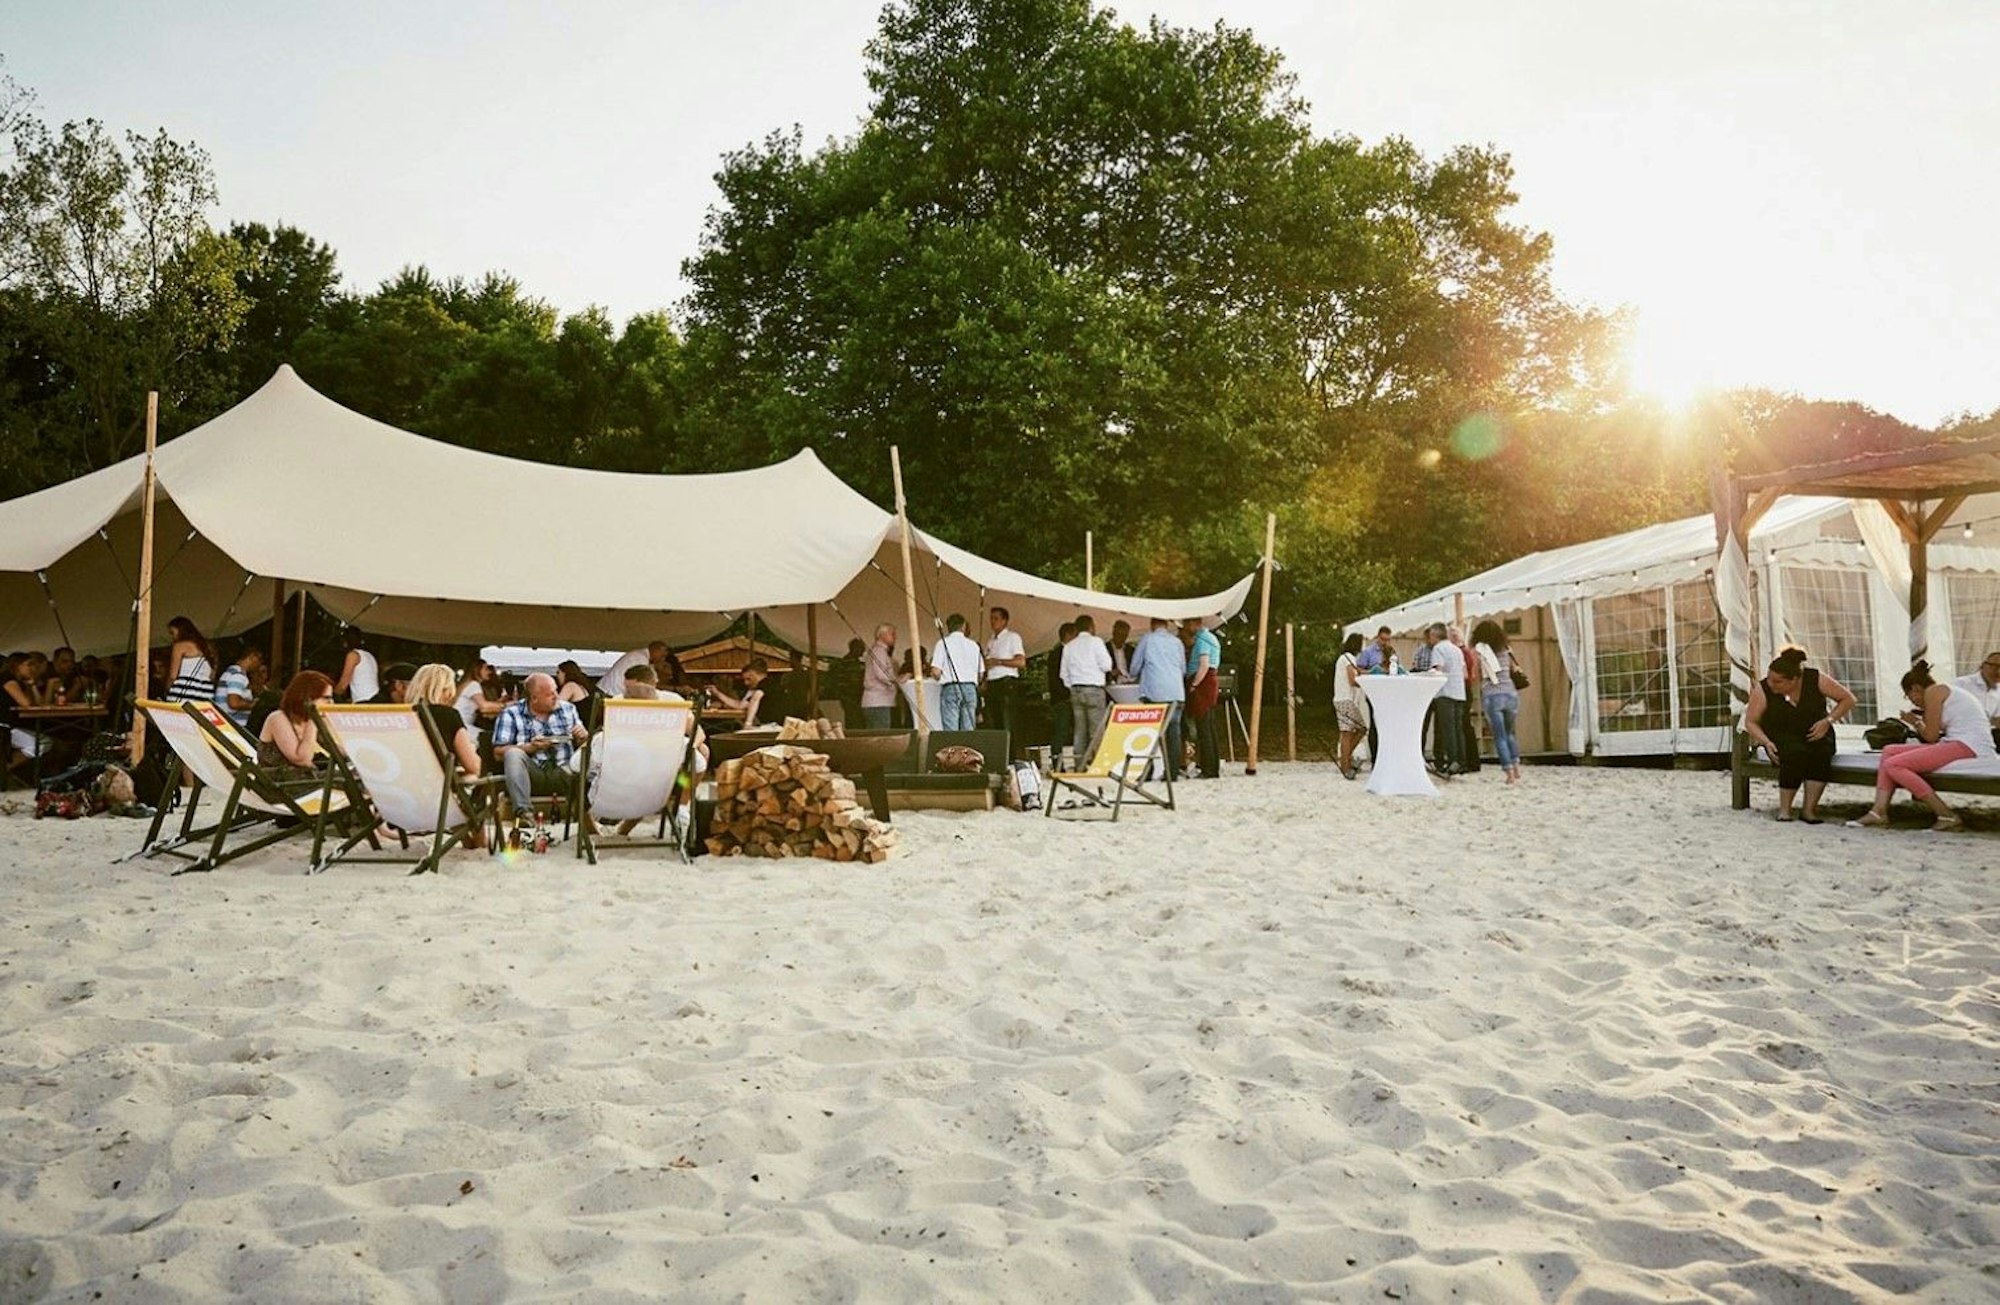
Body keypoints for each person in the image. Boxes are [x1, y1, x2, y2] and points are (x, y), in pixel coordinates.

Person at [1850, 660, 1998, 832]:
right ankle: (1878, 811)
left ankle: (1946, 815)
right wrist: (1918, 723)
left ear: (1915, 689)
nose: (1913, 702)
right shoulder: (1944, 691)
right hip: (1960, 741)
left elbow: (1931, 737)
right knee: (1889, 751)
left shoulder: (1934, 692)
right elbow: (1934, 737)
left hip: (1970, 744)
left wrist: (1917, 723)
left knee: (1894, 764)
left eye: (1908, 696)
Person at [1741, 645, 1854, 822]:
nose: (1771, 684)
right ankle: (1785, 810)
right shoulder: (1763, 689)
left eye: (1777, 681)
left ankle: (1808, 810)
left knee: (1821, 752)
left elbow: (1848, 699)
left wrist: (1828, 721)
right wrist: (1765, 742)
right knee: (1793, 753)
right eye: (1769, 678)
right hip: (1781, 732)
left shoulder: (1815, 679)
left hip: (1815, 729)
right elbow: (1751, 722)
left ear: (1794, 679)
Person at [493, 671, 588, 815]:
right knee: (513, 754)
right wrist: (530, 747)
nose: (556, 696)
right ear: (534, 698)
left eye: (556, 690)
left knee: (590, 750)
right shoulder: (511, 713)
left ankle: (592, 812)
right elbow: (498, 753)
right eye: (551, 694)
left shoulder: (568, 709)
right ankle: (524, 814)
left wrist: (582, 737)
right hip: (531, 774)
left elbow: (583, 744)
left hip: (564, 772)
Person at [1471, 620, 1531, 787]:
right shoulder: (1506, 649)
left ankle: (1509, 772)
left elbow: (1475, 674)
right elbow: (1513, 670)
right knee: (1510, 733)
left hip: (1492, 695)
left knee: (1500, 737)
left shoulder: (1480, 652)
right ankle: (1517, 767)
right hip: (1511, 694)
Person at [1127, 617, 1187, 780]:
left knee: (1150, 733)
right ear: (1166, 625)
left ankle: (1147, 771)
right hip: (1176, 692)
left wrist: (1135, 675)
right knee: (1173, 733)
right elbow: (1183, 669)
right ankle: (1172, 773)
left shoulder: (1147, 639)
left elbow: (1134, 667)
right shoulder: (1177, 642)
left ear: (1152, 625)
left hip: (1154, 693)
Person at [406, 663, 482, 779]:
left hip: (403, 784)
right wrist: (471, 748)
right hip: (438, 788)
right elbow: (474, 766)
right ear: (445, 690)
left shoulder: (401, 715)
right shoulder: (449, 716)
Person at [258, 670, 333, 783]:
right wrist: (314, 719)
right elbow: (302, 760)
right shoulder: (278, 718)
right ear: (309, 698)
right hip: (282, 786)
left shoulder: (305, 721)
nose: (331, 703)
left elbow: (336, 749)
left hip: (305, 780)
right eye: (326, 698)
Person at [1061, 614, 1113, 764]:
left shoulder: (1069, 646)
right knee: (1096, 729)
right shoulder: (1096, 642)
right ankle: (1098, 763)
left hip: (1076, 690)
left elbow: (1063, 674)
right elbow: (1107, 665)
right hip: (1094, 689)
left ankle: (1079, 765)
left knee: (1080, 730)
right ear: (1091, 626)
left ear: (1076, 629)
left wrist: (1072, 686)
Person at [1423, 623, 1467, 775]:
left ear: (1434, 635)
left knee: (1448, 729)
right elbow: (1464, 672)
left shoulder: (1438, 649)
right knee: (1458, 728)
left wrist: (1427, 675)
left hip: (1445, 692)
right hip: (1459, 691)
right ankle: (1461, 761)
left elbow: (1438, 670)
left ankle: (1453, 761)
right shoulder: (1456, 649)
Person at [929, 614, 985, 731]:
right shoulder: (974, 645)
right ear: (964, 626)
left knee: (951, 728)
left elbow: (936, 672)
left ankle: (953, 748)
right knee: (968, 728)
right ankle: (967, 749)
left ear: (948, 627)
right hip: (970, 687)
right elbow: (980, 674)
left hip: (951, 687)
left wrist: (938, 677)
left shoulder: (942, 643)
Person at [982, 608, 1027, 753]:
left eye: (996, 618)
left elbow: (1021, 662)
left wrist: (999, 662)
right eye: (991, 618)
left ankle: (1013, 756)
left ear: (1004, 621)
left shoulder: (1013, 637)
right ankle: (1000, 756)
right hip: (992, 683)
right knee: (994, 722)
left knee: (1008, 722)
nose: (992, 622)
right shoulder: (990, 641)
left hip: (1006, 682)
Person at [1183, 618, 1223, 778]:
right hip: (1209, 682)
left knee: (1204, 728)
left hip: (1203, 684)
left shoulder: (1202, 639)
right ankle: (1213, 766)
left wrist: (1194, 684)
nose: (1186, 628)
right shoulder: (1211, 638)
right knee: (1209, 727)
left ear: (1195, 624)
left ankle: (1209, 769)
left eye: (1187, 624)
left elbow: (1204, 664)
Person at [1332, 632, 1368, 780]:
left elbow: (1358, 672)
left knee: (1355, 730)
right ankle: (1345, 764)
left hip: (1342, 699)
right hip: (1345, 699)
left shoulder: (1345, 658)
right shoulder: (1349, 658)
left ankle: (1345, 759)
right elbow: (1352, 680)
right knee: (1353, 731)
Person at [164, 616, 219, 704]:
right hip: (206, 693)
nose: (172, 637)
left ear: (180, 630)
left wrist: (167, 689)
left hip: (184, 692)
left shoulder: (179, 646)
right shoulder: (209, 648)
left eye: (172, 632)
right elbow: (212, 675)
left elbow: (173, 675)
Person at [1953, 650, 2000, 750]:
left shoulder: (1998, 690)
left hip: (1987, 736)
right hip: (1963, 734)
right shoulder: (1961, 684)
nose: (1998, 672)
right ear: (1983, 665)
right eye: (1995, 666)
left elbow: (1996, 720)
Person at [4, 652, 44, 768]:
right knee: (39, 744)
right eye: (29, 665)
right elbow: (26, 704)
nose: (33, 668)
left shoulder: (19, 682)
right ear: (17, 665)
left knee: (44, 740)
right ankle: (3, 772)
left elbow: (39, 704)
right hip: (4, 726)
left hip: (12, 724)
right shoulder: (8, 679)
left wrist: (32, 685)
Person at [710, 657, 770, 728]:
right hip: (765, 725)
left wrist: (748, 723)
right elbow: (740, 705)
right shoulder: (754, 689)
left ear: (754, 674)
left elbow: (757, 696)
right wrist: (717, 693)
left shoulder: (767, 684)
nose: (746, 683)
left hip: (774, 726)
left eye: (749, 679)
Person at [214, 647, 266, 728]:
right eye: (259, 661)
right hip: (233, 725)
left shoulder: (230, 672)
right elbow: (234, 703)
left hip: (225, 723)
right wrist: (254, 704)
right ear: (252, 657)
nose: (259, 665)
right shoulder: (238, 676)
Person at [1045, 623, 1076, 759]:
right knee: (1061, 731)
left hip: (1065, 697)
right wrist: (1067, 694)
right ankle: (1057, 760)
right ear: (1068, 635)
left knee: (1067, 731)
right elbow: (1056, 678)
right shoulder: (1058, 653)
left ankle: (1060, 760)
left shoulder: (1060, 652)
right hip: (1062, 698)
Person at [861, 626, 899, 729]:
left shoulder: (879, 651)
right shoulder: (879, 651)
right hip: (878, 702)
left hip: (878, 702)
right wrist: (897, 680)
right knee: (881, 736)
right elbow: (881, 674)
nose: (895, 637)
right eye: (892, 634)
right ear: (883, 635)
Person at [599, 641, 668, 697]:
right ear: (655, 650)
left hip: (609, 691)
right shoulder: (640, 659)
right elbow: (642, 683)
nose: (662, 659)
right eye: (662, 656)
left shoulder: (640, 656)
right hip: (609, 692)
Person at [456, 660, 504, 734]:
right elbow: (484, 706)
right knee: (488, 738)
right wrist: (507, 705)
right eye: (486, 669)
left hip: (461, 725)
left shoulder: (467, 683)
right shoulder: (473, 684)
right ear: (477, 670)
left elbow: (483, 709)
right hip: (462, 726)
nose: (489, 672)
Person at [827, 638, 867, 727]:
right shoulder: (847, 663)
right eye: (861, 649)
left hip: (854, 697)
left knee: (856, 720)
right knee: (853, 720)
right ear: (854, 648)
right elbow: (854, 680)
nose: (862, 652)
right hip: (850, 696)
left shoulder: (856, 663)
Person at [332, 628, 378, 704]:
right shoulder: (370, 655)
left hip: (364, 701)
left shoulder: (353, 655)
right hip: (375, 699)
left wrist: (332, 694)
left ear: (345, 642)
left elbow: (343, 684)